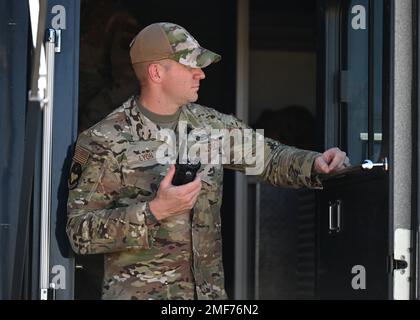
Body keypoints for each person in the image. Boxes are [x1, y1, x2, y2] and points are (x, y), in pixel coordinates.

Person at [66, 22, 349, 300]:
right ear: (156, 72)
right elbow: (79, 233)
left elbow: (271, 158)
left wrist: (316, 163)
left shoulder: (211, 126)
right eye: (190, 65)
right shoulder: (104, 139)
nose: (200, 74)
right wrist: (154, 211)